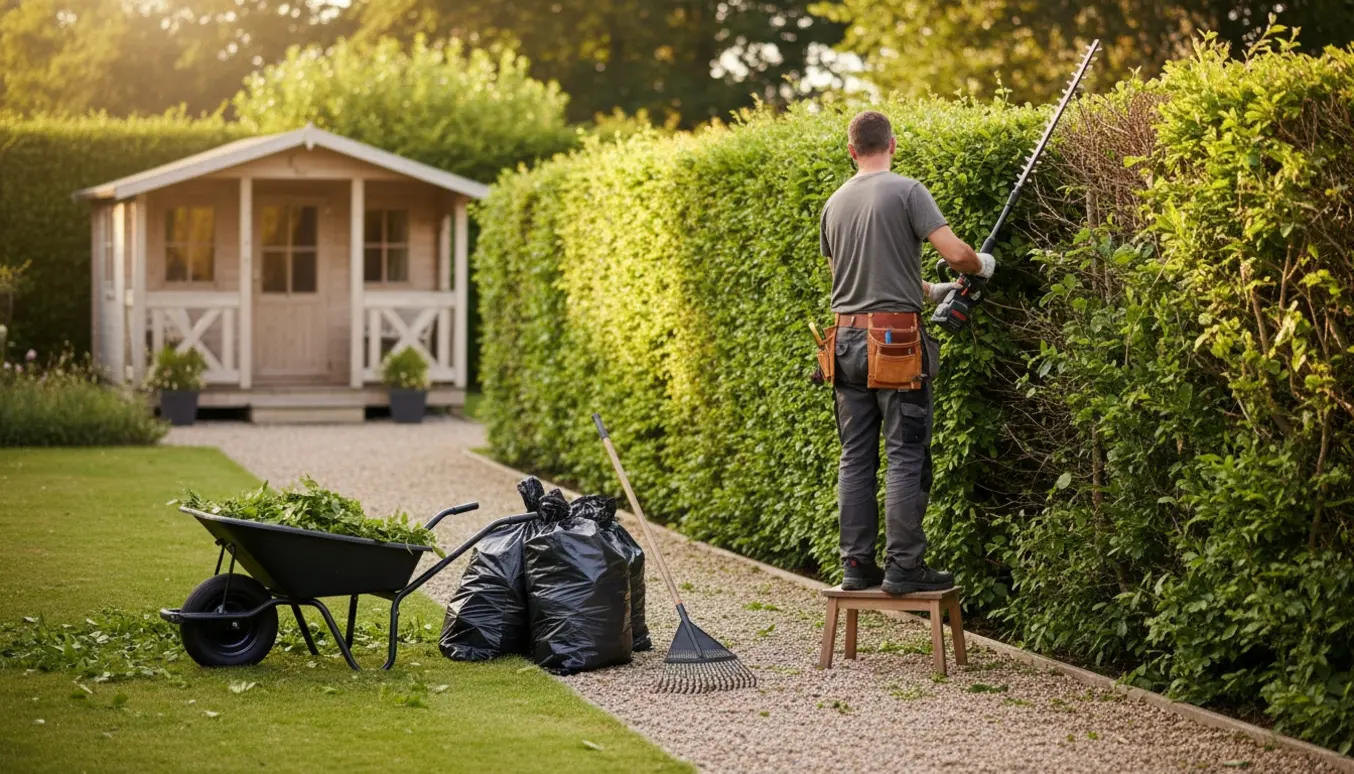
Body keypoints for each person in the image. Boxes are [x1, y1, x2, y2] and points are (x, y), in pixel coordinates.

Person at [818, 110, 995, 595]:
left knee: (855, 457)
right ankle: (904, 568)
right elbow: (957, 254)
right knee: (904, 455)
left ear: (852, 150)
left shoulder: (833, 204)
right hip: (895, 342)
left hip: (845, 340)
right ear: (892, 144)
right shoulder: (907, 191)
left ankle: (856, 565)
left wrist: (934, 291)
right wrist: (981, 265)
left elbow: (850, 280)